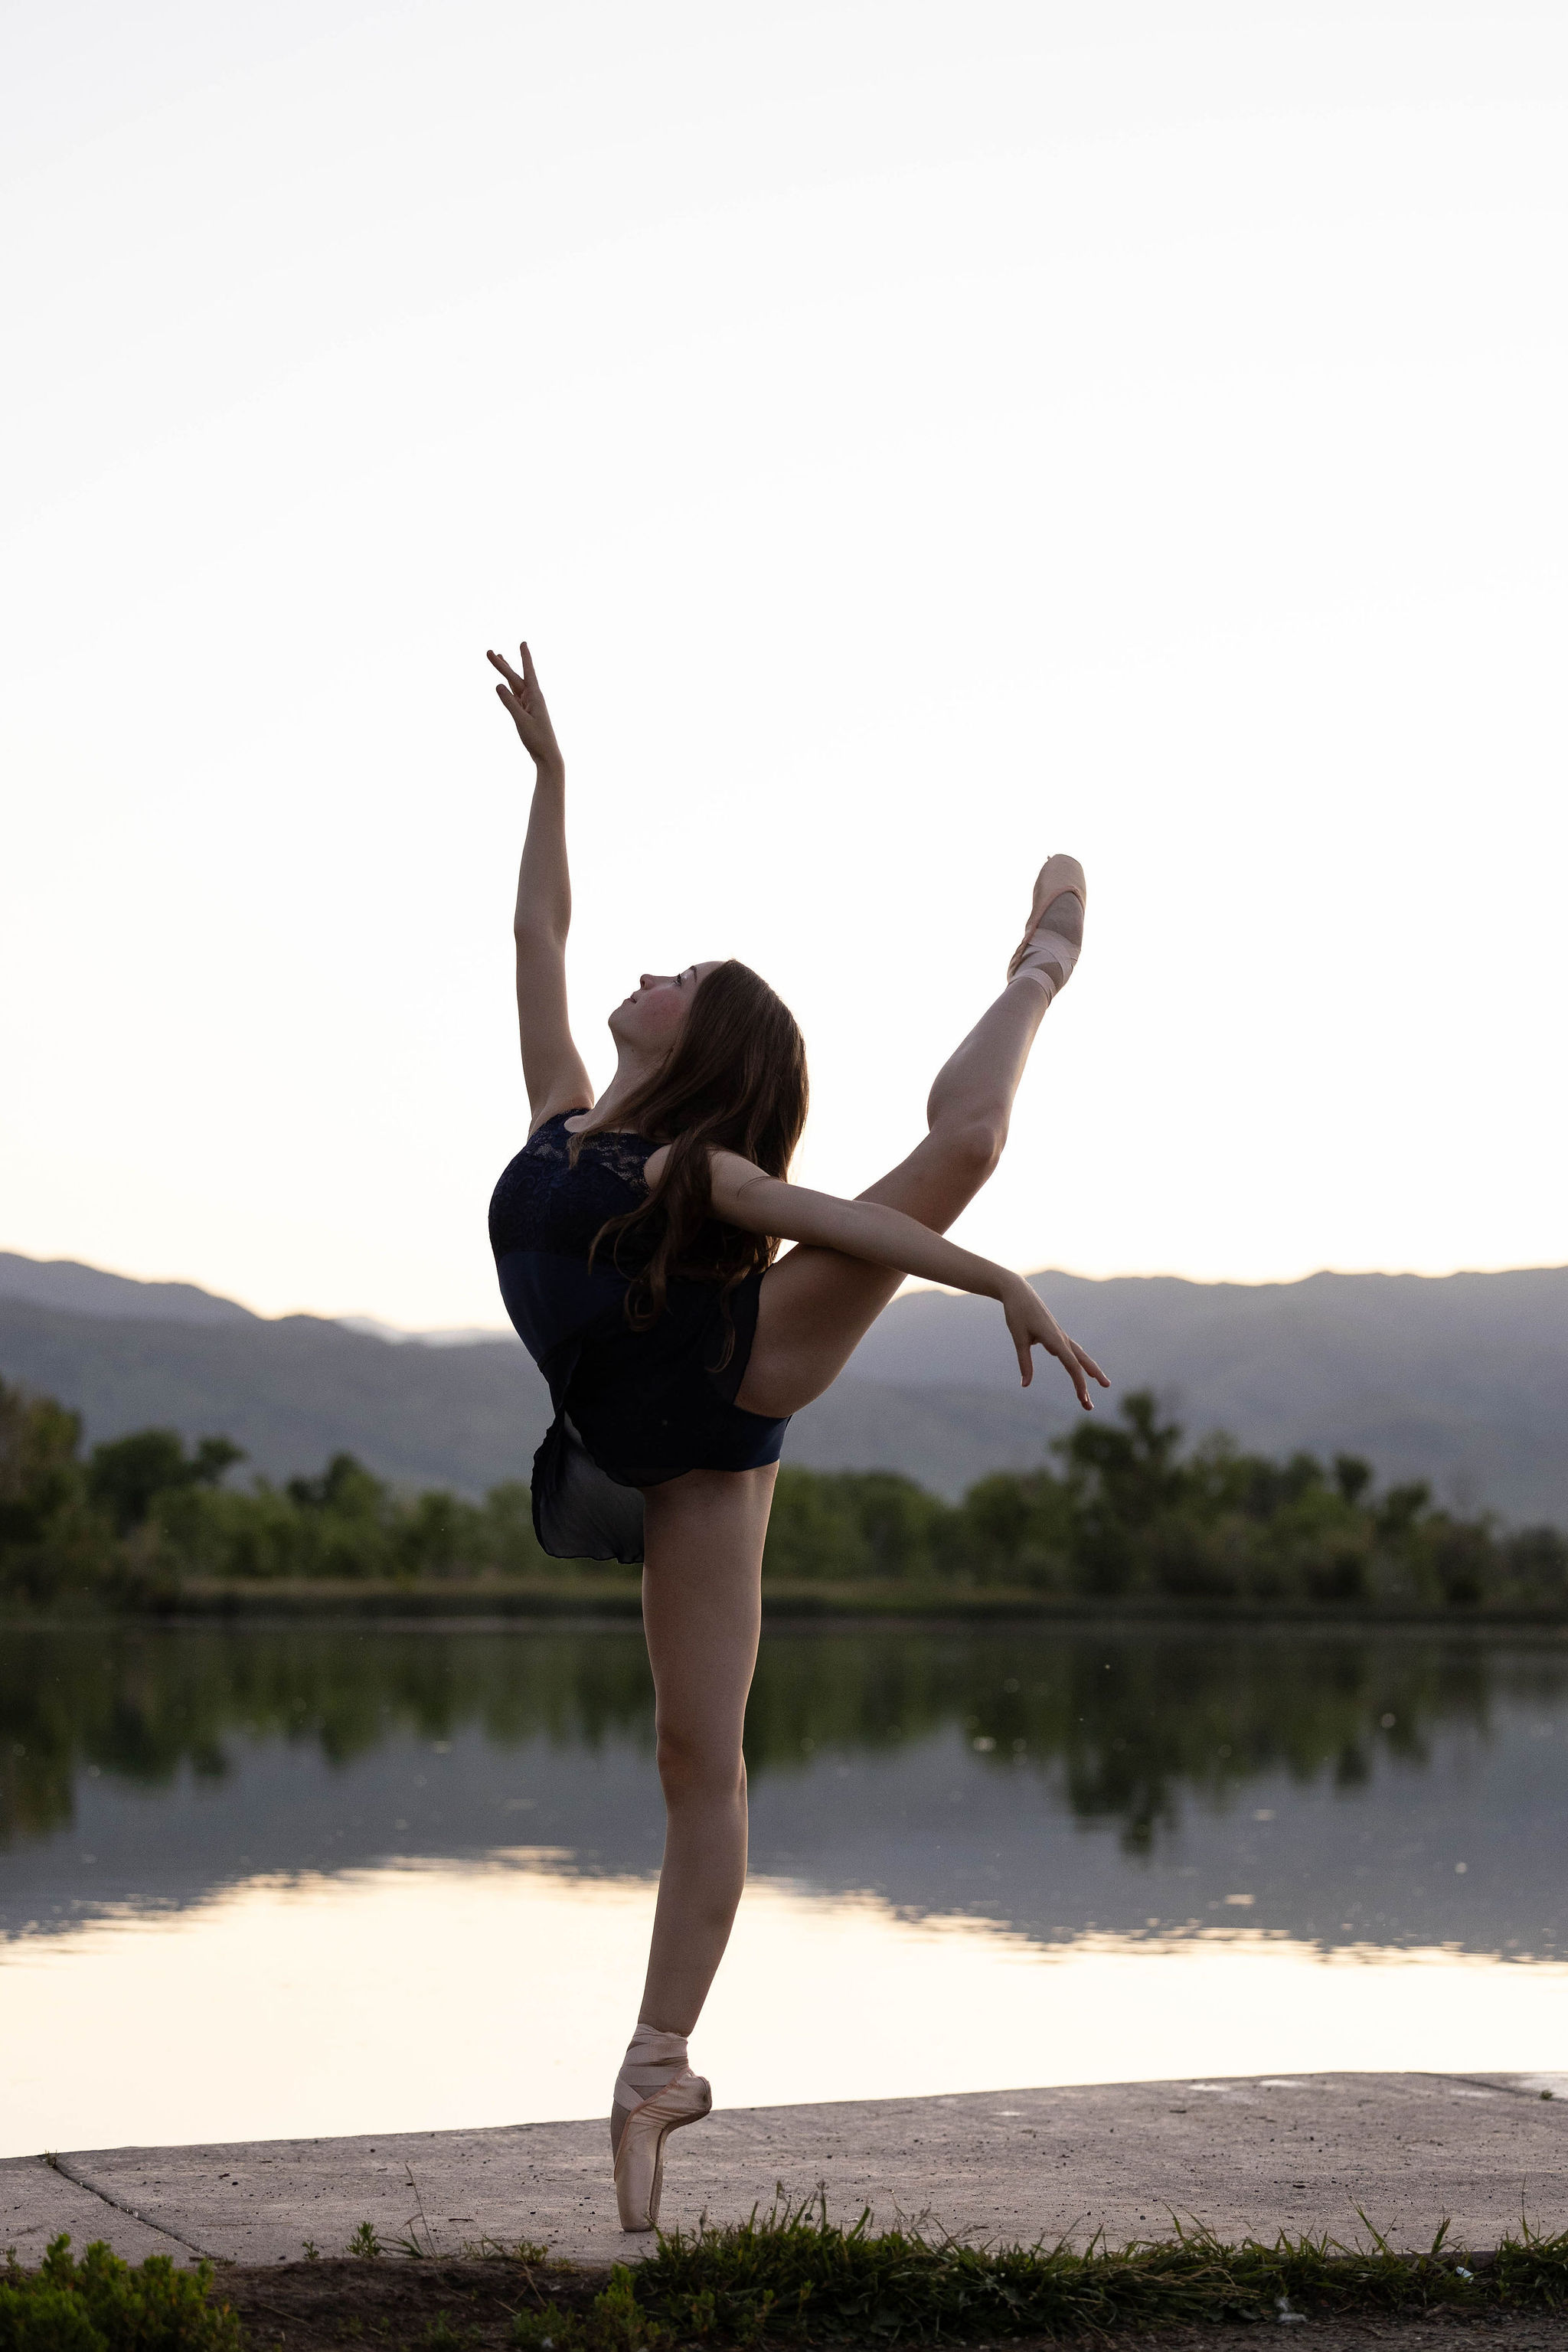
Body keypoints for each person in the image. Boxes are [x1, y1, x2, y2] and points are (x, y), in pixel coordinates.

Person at [485, 639, 1109, 2233]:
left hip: (736, 1374)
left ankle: (1035, 972)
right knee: (687, 1756)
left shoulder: (699, 1175)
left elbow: (844, 1218)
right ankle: (658, 2084)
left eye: (686, 974)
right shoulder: (561, 1112)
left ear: (706, 1048)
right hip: (653, 1452)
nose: (654, 969)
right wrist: (554, 777)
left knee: (958, 1148)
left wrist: (1001, 1282)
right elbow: (536, 928)